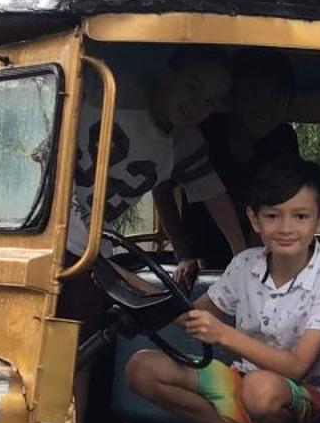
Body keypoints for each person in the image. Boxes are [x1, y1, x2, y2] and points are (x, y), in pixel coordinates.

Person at [124, 156, 320, 423]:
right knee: (141, 367)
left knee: (261, 388)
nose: (286, 228)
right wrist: (131, 284)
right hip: (242, 384)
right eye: (273, 216)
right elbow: (192, 316)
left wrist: (224, 335)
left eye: (300, 216)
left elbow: (297, 367)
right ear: (254, 219)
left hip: (305, 402)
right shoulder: (244, 264)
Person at [63, 48, 246, 276]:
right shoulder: (106, 87)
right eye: (192, 87)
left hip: (90, 244)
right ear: (168, 75)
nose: (197, 105)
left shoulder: (185, 143)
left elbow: (213, 195)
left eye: (209, 102)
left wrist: (242, 257)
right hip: (51, 224)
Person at [170, 49, 300, 270]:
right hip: (199, 255)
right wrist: (183, 253)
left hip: (258, 252)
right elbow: (163, 188)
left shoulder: (282, 140)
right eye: (254, 97)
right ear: (233, 97)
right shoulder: (205, 131)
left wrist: (250, 259)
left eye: (277, 100)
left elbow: (279, 201)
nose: (265, 110)